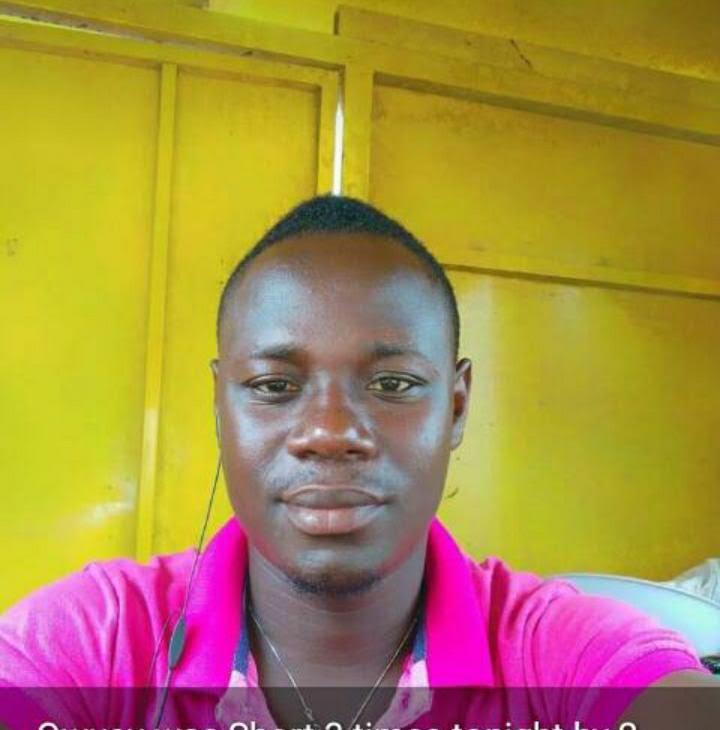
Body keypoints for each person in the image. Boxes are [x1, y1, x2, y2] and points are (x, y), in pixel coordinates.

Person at [0, 195, 717, 730]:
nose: (331, 433)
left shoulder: (558, 650)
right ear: (221, 408)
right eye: (274, 386)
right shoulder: (97, 642)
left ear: (456, 408)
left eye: (393, 384)